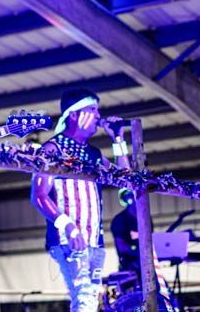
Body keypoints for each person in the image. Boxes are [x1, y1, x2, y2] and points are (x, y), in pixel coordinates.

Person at [30, 89, 129, 311]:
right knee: (84, 300)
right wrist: (67, 226)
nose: (97, 115)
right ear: (74, 115)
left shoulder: (92, 153)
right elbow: (38, 195)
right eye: (92, 110)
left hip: (94, 241)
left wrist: (118, 139)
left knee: (90, 300)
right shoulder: (52, 149)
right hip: (69, 240)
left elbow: (125, 179)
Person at [110, 188, 139, 276]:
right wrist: (139, 252)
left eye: (133, 194)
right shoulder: (120, 220)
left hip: (148, 263)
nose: (131, 197)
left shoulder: (145, 219)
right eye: (128, 195)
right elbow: (121, 246)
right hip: (130, 267)